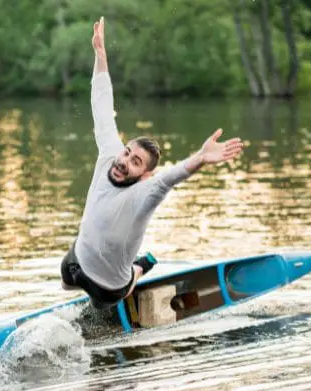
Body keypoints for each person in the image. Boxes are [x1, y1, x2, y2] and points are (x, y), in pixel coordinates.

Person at [60, 16, 244, 310]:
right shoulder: (110, 154)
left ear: (144, 175)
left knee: (109, 297)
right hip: (76, 262)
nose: (124, 162)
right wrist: (100, 56)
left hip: (108, 287)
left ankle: (140, 267)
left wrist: (200, 158)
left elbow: (170, 177)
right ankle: (83, 276)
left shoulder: (144, 194)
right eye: (127, 153)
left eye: (135, 162)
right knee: (65, 281)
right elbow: (102, 104)